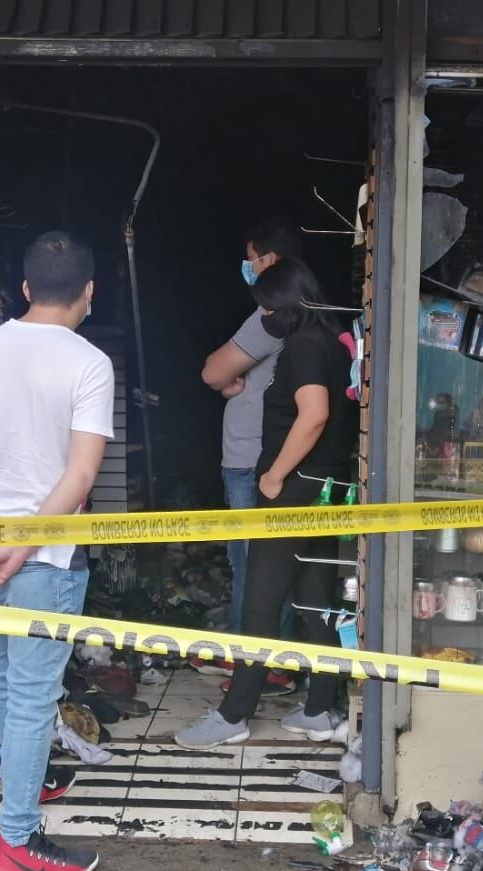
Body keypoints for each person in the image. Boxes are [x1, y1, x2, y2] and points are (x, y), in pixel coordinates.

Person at [0, 231, 114, 871]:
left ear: (26, 289)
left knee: (11, 688)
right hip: (44, 559)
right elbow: (82, 473)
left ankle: (19, 806)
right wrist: (25, 547)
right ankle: (16, 846)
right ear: (88, 294)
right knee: (35, 698)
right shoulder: (89, 362)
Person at [176, 258, 359, 749]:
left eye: (267, 309)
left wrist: (277, 475)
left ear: (284, 307)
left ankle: (234, 716)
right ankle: (320, 710)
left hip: (293, 488)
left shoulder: (301, 346)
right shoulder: (334, 342)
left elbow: (314, 414)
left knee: (260, 605)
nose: (264, 318)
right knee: (313, 602)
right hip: (326, 488)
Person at [200, 217, 302, 641]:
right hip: (268, 456)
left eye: (250, 260)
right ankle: (272, 658)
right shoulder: (298, 314)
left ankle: (253, 664)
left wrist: (225, 383)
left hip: (250, 459)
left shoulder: (269, 319)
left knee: (251, 564)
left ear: (269, 261)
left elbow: (211, 371)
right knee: (268, 561)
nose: (247, 268)